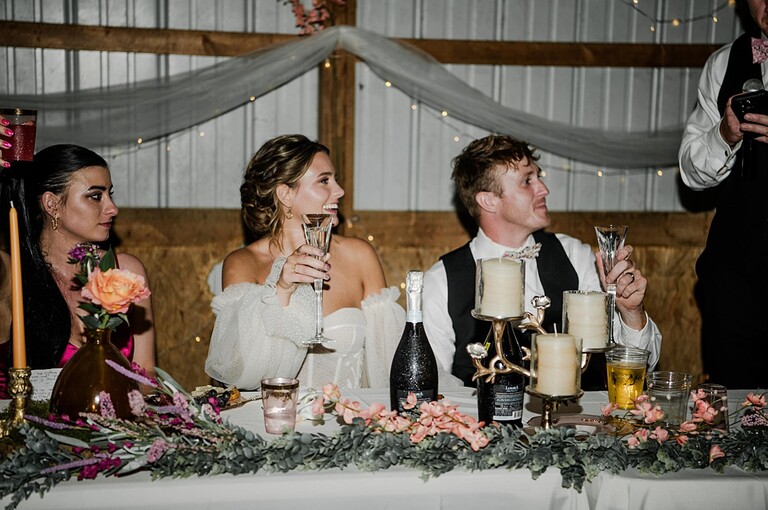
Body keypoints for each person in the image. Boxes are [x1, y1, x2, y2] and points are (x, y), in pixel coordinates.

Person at [423, 135, 662, 388]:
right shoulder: (441, 281)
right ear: (488, 201)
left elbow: (638, 367)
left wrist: (630, 313)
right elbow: (435, 383)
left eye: (538, 176)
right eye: (527, 181)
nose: (544, 189)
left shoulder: (575, 256)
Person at [205, 134, 412, 390]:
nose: (340, 191)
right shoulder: (244, 264)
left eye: (335, 179)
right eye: (324, 180)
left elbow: (389, 363)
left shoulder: (359, 255)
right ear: (285, 194)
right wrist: (281, 291)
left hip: (351, 413)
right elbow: (244, 376)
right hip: (276, 414)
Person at [0, 144, 156, 395]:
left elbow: (145, 375)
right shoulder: (13, 272)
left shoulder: (125, 272)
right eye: (95, 196)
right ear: (52, 204)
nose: (113, 208)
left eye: (110, 194)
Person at [679, 0, 768, 389]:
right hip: (736, 282)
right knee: (734, 405)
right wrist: (724, 135)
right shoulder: (724, 62)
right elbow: (690, 172)